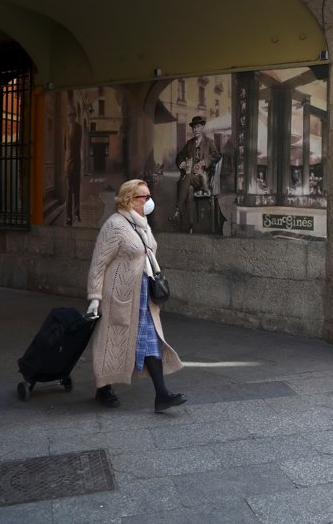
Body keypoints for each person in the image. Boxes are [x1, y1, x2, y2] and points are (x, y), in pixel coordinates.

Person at [86, 179, 187, 412]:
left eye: (149, 195)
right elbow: (99, 263)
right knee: (113, 341)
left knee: (150, 339)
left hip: (144, 294)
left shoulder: (142, 223)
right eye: (145, 197)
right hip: (120, 294)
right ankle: (103, 389)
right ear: (129, 199)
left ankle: (162, 395)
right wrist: (95, 297)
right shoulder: (115, 225)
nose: (149, 201)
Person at [169, 115, 220, 232]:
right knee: (190, 189)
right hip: (192, 178)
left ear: (202, 128)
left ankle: (177, 211)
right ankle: (191, 224)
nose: (195, 130)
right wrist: (181, 162)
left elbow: (216, 156)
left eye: (198, 127)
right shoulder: (190, 143)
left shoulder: (209, 142)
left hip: (203, 178)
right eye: (194, 128)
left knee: (187, 178)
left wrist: (204, 162)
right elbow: (180, 155)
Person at [65, 95, 83, 226]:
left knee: (77, 190)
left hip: (76, 162)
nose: (71, 117)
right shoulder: (66, 129)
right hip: (68, 163)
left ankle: (77, 213)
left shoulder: (79, 127)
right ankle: (69, 216)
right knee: (68, 191)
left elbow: (78, 144)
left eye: (72, 114)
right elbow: (64, 146)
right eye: (69, 115)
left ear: (75, 115)